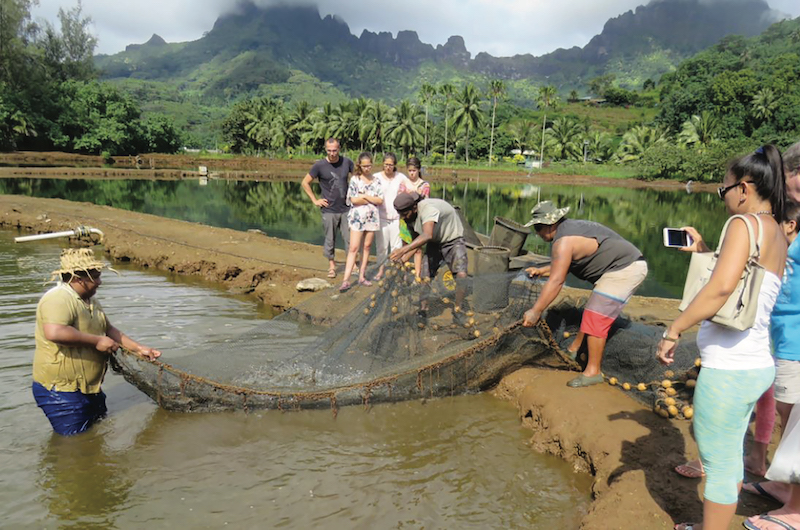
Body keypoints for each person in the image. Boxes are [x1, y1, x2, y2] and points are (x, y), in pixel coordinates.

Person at [656, 145, 787, 530]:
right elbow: (746, 284)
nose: (724, 197)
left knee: (716, 462)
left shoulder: (742, 225)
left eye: (723, 190)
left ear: (744, 188)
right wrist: (704, 252)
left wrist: (674, 328)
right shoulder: (776, 229)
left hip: (730, 369)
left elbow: (721, 289)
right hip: (756, 363)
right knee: (729, 455)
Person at [33, 248, 161, 436]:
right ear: (79, 279)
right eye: (95, 277)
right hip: (61, 391)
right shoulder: (58, 298)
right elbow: (55, 332)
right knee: (73, 449)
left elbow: (108, 330)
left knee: (93, 437)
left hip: (89, 388)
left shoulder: (89, 300)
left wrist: (139, 348)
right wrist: (96, 341)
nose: (100, 282)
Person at [521, 201, 648, 388]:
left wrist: (535, 311)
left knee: (596, 315)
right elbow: (564, 267)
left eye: (538, 227)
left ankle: (592, 372)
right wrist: (542, 271)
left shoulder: (563, 241)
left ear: (550, 224)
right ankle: (574, 348)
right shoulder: (568, 230)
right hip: (619, 268)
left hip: (625, 268)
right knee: (591, 309)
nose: (537, 233)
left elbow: (557, 280)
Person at [390, 192, 468, 313]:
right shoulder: (409, 218)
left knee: (461, 275)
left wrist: (402, 250)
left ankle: (458, 309)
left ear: (414, 208)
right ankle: (423, 309)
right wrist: (402, 259)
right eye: (401, 215)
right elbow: (416, 243)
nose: (403, 217)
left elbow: (427, 235)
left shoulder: (427, 210)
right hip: (435, 241)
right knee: (425, 276)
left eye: (405, 214)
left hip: (453, 239)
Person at [301, 138, 355, 279]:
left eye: (335, 150)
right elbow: (305, 182)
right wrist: (315, 200)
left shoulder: (347, 162)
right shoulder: (319, 166)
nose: (332, 153)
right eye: (329, 150)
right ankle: (332, 265)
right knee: (330, 239)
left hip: (346, 208)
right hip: (329, 209)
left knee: (350, 238)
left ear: (339, 148)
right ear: (326, 149)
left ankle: (352, 263)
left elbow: (357, 179)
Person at [340, 152, 383, 291]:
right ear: (360, 165)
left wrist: (363, 196)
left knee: (367, 247)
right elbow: (353, 199)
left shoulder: (376, 180)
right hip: (357, 218)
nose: (367, 168)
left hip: (372, 218)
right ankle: (346, 279)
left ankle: (362, 276)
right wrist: (370, 198)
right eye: (364, 166)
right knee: (353, 248)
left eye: (369, 166)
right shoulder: (355, 180)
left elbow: (380, 200)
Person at [374, 153, 410, 281]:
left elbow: (410, 188)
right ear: (383, 164)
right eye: (386, 164)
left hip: (396, 218)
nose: (388, 167)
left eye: (391, 165)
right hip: (381, 218)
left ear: (395, 165)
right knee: (381, 247)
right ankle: (380, 270)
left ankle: (395, 271)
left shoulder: (400, 177)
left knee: (396, 246)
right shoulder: (376, 177)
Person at [399, 157, 430, 279]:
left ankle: (417, 274)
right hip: (405, 220)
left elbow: (425, 201)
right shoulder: (404, 183)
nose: (412, 173)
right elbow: (400, 199)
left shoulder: (424, 185)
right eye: (410, 170)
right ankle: (404, 274)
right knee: (405, 246)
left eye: (414, 170)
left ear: (418, 170)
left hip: (418, 220)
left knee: (417, 247)